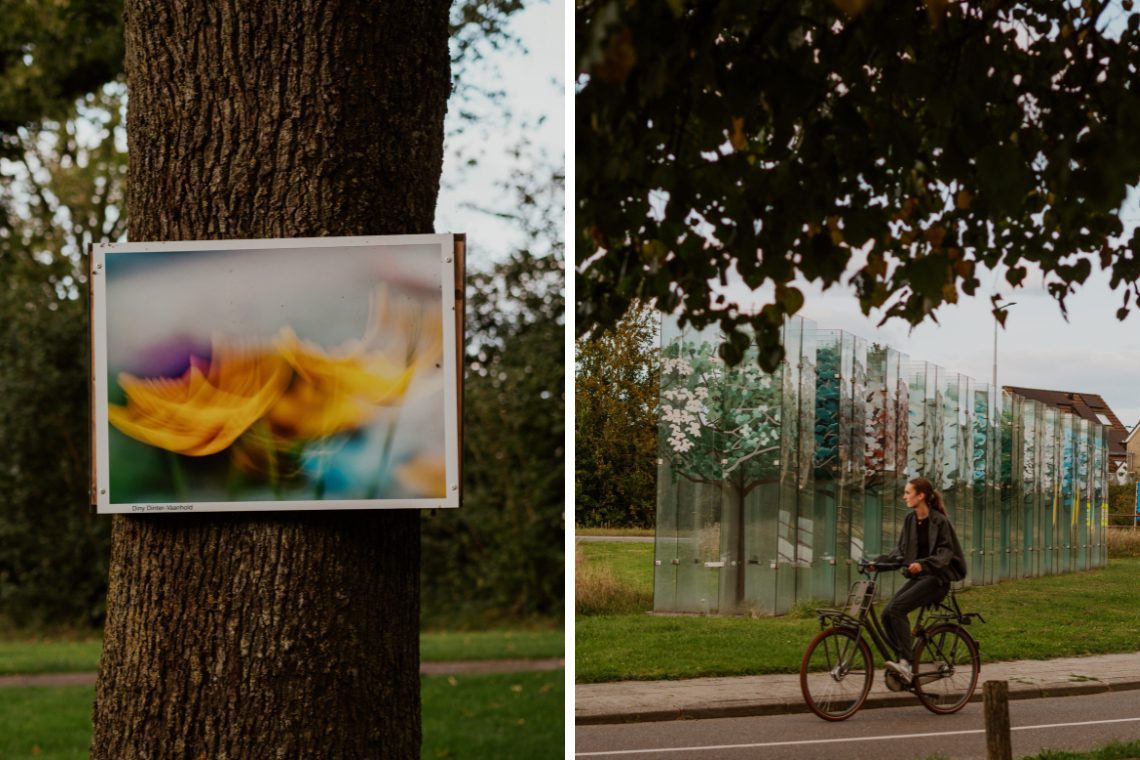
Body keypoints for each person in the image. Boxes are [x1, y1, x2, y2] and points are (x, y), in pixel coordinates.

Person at [868, 476, 967, 684]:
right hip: (920, 578)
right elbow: (902, 552)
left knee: (897, 609)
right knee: (887, 613)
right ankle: (902, 661)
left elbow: (945, 553)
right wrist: (877, 563)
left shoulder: (939, 521)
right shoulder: (910, 520)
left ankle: (906, 662)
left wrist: (923, 564)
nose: (904, 497)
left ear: (920, 496)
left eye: (907, 493)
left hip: (937, 579)